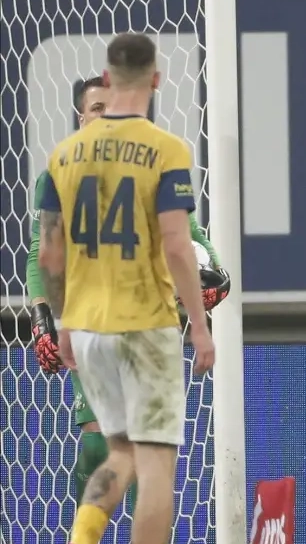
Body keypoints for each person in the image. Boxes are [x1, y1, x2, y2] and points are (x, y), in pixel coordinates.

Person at [37, 33, 216, 544]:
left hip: (89, 329)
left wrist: (64, 322)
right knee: (156, 464)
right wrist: (198, 326)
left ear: (107, 79)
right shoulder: (166, 149)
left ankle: (81, 538)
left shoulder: (64, 156)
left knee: (119, 454)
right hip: (146, 326)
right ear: (156, 80)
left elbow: (50, 253)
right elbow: (178, 244)